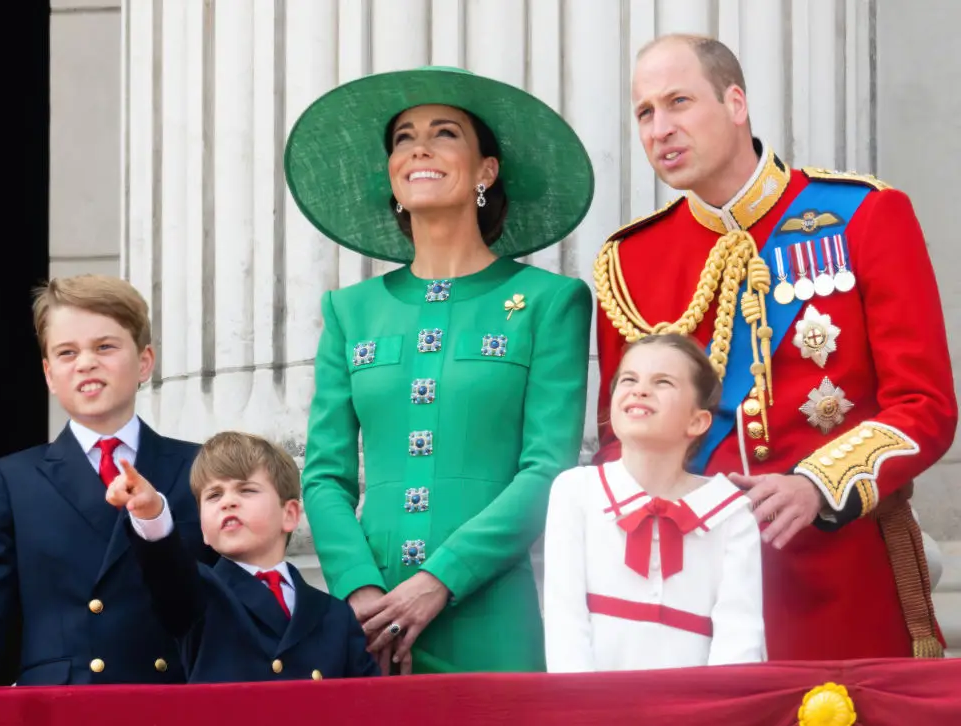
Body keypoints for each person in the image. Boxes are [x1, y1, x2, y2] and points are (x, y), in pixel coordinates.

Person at [592, 34, 957, 660]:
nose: (661, 129)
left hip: (838, 571)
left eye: (679, 101)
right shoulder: (629, 261)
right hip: (689, 588)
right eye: (645, 112)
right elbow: (617, 436)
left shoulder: (863, 215)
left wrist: (818, 485)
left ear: (736, 103)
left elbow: (924, 405)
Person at [284, 66, 595, 674]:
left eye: (445, 133)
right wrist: (360, 591)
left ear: (486, 170)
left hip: (491, 614)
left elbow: (547, 471)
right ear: (393, 177)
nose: (419, 148)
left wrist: (441, 579)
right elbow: (324, 477)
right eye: (403, 137)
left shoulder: (549, 301)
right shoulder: (349, 311)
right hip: (370, 627)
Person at [0, 275, 206, 687]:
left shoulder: (199, 468)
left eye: (105, 346)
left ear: (144, 361)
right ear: (48, 373)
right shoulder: (13, 480)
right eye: (67, 353)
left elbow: (223, 608)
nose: (85, 363)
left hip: (166, 700)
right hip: (58, 707)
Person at [544, 334, 764, 672]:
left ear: (698, 421)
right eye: (629, 379)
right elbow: (564, 622)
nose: (639, 390)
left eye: (662, 382)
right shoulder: (575, 491)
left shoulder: (730, 513)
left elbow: (739, 638)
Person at [106, 431, 378, 683]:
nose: (228, 502)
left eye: (246, 490)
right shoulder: (199, 593)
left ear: (290, 514)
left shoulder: (336, 615)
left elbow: (367, 703)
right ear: (203, 529)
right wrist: (152, 512)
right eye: (213, 496)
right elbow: (167, 568)